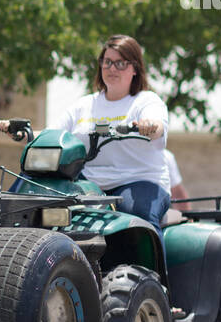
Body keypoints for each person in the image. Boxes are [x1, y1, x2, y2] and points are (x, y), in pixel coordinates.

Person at [53, 35, 170, 232]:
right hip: (89, 184)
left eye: (120, 63)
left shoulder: (146, 101)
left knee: (135, 215)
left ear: (134, 69)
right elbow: (53, 135)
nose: (112, 68)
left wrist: (149, 126)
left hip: (138, 180)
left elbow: (157, 127)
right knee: (42, 204)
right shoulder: (84, 105)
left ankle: (147, 263)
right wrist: (24, 133)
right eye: (107, 62)